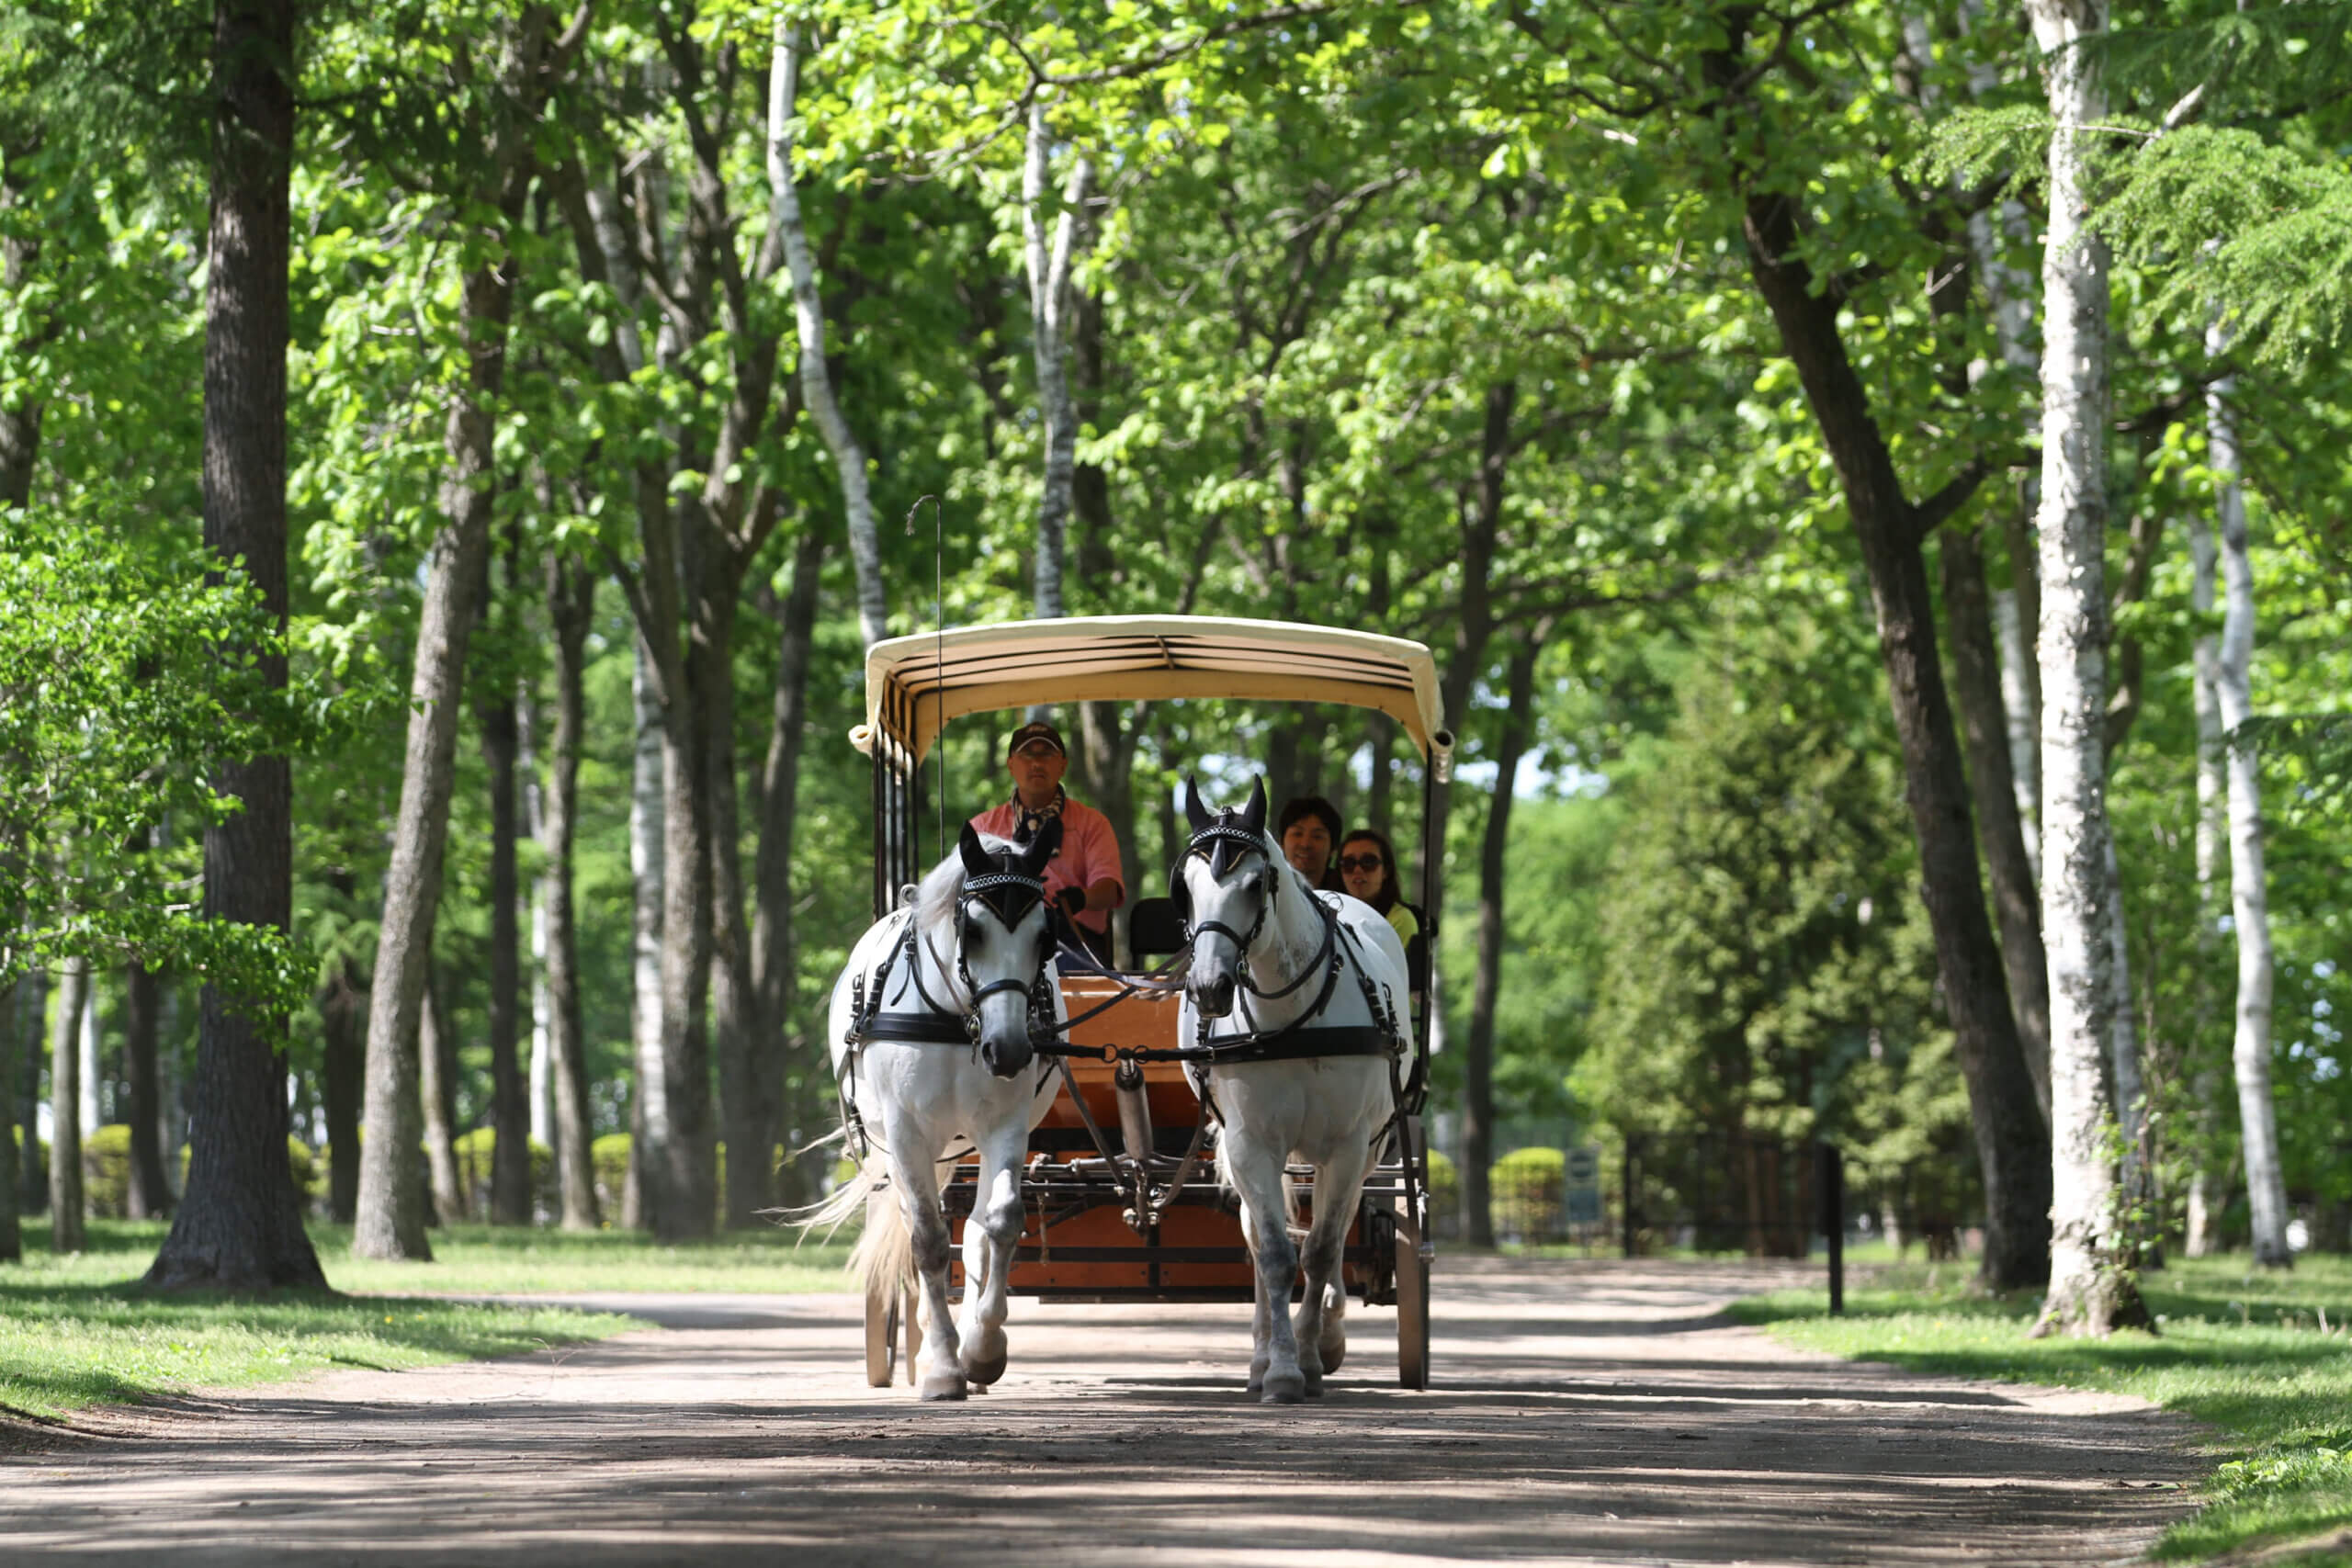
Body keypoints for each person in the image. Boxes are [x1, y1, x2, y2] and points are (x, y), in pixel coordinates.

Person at [968, 720, 1125, 964]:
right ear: (1011, 764)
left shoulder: (1093, 823)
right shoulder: (982, 827)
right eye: (1027, 755)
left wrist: (1081, 899)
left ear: (1063, 765)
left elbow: (1109, 890)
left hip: (1072, 938)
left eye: (1047, 754)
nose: (1037, 763)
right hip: (1001, 937)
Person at [1337, 828, 1419, 950]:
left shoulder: (1400, 919)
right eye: (1349, 863)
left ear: (1385, 871)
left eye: (1368, 862)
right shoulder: (1330, 916)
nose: (1357, 870)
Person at [1276, 795, 1345, 892]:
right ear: (1281, 843)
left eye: (1317, 836)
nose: (1305, 844)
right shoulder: (1266, 890)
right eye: (1297, 834)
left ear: (1333, 848)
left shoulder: (1347, 892)